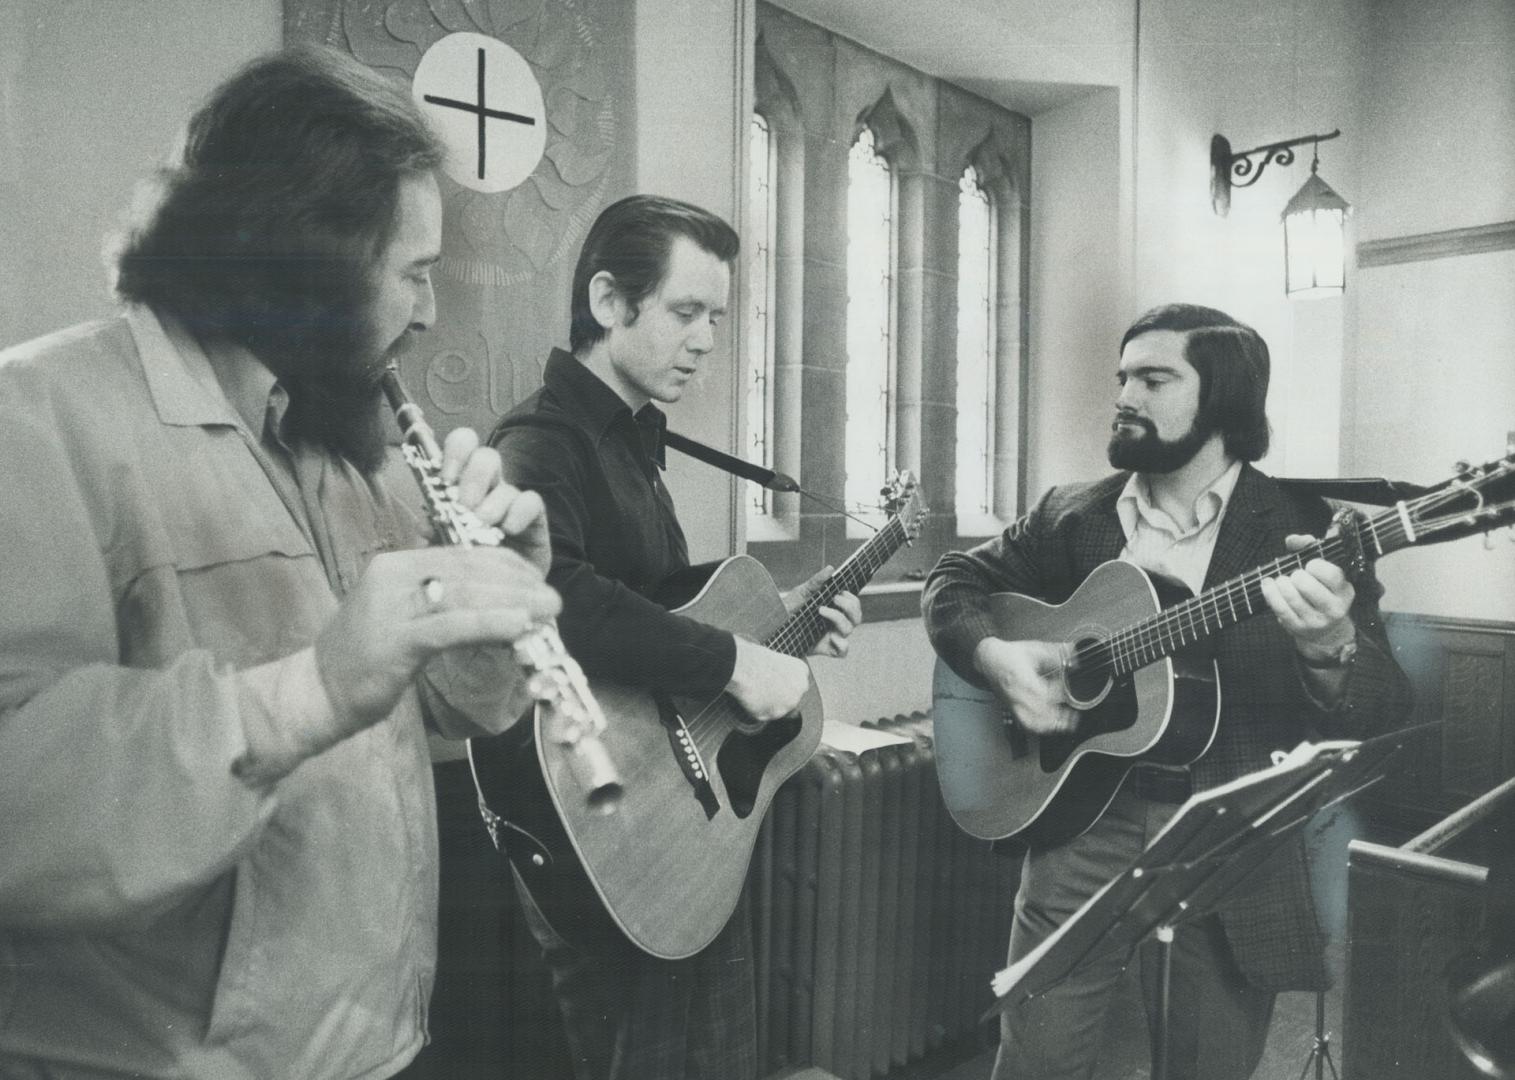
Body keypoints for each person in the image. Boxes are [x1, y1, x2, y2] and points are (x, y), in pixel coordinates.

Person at [0, 47, 561, 1079]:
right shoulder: (31, 418)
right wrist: (304, 691)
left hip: (380, 1045)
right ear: (307, 255)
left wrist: (498, 613)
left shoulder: (346, 441)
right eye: (414, 274)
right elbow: (17, 798)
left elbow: (434, 711)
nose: (431, 313)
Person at [922, 303, 1413, 1080]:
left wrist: (1330, 650)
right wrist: (993, 658)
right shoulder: (1070, 513)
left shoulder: (1304, 528)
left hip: (1227, 835)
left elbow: (1384, 708)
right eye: (1122, 377)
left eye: (1153, 378)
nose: (1124, 395)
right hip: (1081, 821)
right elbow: (951, 581)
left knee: (1206, 1062)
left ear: (1220, 400)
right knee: (1035, 1059)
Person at [480, 194, 863, 1080]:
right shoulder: (542, 440)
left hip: (678, 819)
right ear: (610, 302)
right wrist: (734, 659)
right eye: (686, 312)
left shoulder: (633, 442)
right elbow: (552, 594)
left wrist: (786, 619)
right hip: (603, 826)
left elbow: (658, 610)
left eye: (717, 318)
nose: (706, 340)